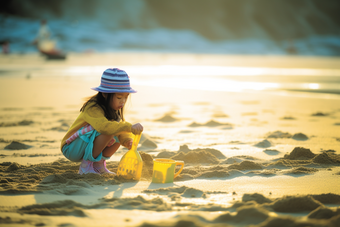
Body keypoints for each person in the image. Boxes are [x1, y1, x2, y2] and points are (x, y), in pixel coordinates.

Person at [60, 68, 143, 175]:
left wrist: (128, 141)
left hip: (85, 146)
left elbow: (119, 128)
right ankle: (86, 166)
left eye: (125, 97)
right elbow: (104, 127)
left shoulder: (114, 111)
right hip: (71, 148)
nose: (123, 101)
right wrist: (129, 127)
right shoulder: (93, 108)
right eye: (119, 97)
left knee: (118, 131)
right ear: (104, 94)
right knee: (110, 130)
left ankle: (98, 164)